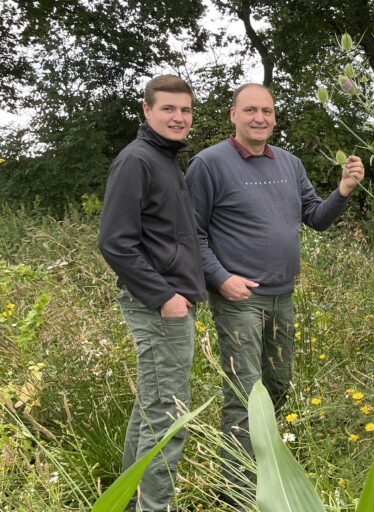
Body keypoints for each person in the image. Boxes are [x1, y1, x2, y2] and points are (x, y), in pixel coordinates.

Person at [186, 83, 364, 499]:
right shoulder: (208, 164)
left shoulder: (289, 163)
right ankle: (237, 492)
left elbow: (315, 218)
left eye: (266, 111)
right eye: (250, 110)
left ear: (274, 117)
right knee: (245, 394)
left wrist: (343, 191)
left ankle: (265, 470)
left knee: (278, 385)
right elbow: (190, 234)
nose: (260, 118)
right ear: (233, 115)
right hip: (239, 299)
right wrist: (221, 278)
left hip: (283, 295)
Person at [98, 74, 205, 511]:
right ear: (146, 111)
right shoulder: (137, 161)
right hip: (160, 307)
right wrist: (164, 296)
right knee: (168, 418)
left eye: (185, 110)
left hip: (170, 303)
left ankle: (124, 504)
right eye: (168, 109)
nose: (178, 117)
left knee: (151, 413)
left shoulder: (165, 159)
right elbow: (114, 241)